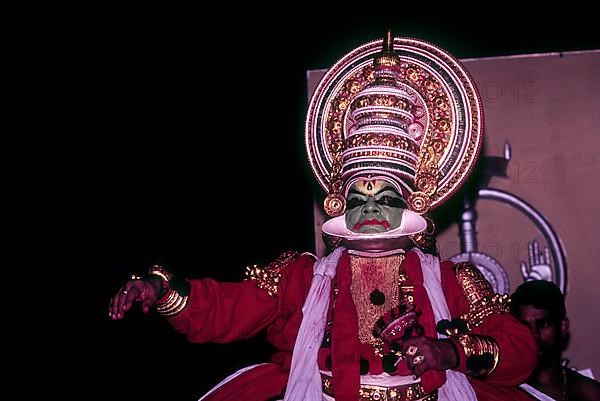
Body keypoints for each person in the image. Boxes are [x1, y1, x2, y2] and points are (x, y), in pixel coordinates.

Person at [109, 33, 538, 401]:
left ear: (413, 202)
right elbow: (222, 312)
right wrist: (161, 289)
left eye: (384, 196)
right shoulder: (301, 276)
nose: (370, 209)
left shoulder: (451, 281)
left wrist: (452, 352)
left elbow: (520, 349)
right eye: (359, 197)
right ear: (340, 204)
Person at [510, 280, 600, 400]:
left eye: (544, 324)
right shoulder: (500, 390)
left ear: (563, 327)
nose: (534, 334)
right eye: (524, 326)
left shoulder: (587, 391)